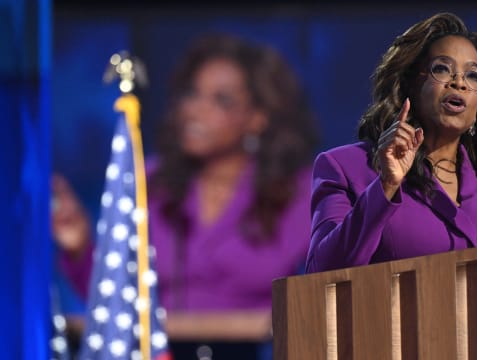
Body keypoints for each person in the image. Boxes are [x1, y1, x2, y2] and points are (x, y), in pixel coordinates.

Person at [53, 33, 319, 360]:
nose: (195, 110)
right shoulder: (148, 182)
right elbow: (117, 303)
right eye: (192, 94)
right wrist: (79, 247)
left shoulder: (299, 193)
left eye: (221, 100)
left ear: (257, 118)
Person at [305, 12, 477, 273]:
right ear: (410, 84)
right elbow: (321, 273)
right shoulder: (346, 168)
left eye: (473, 76)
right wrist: (386, 186)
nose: (459, 83)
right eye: (442, 68)